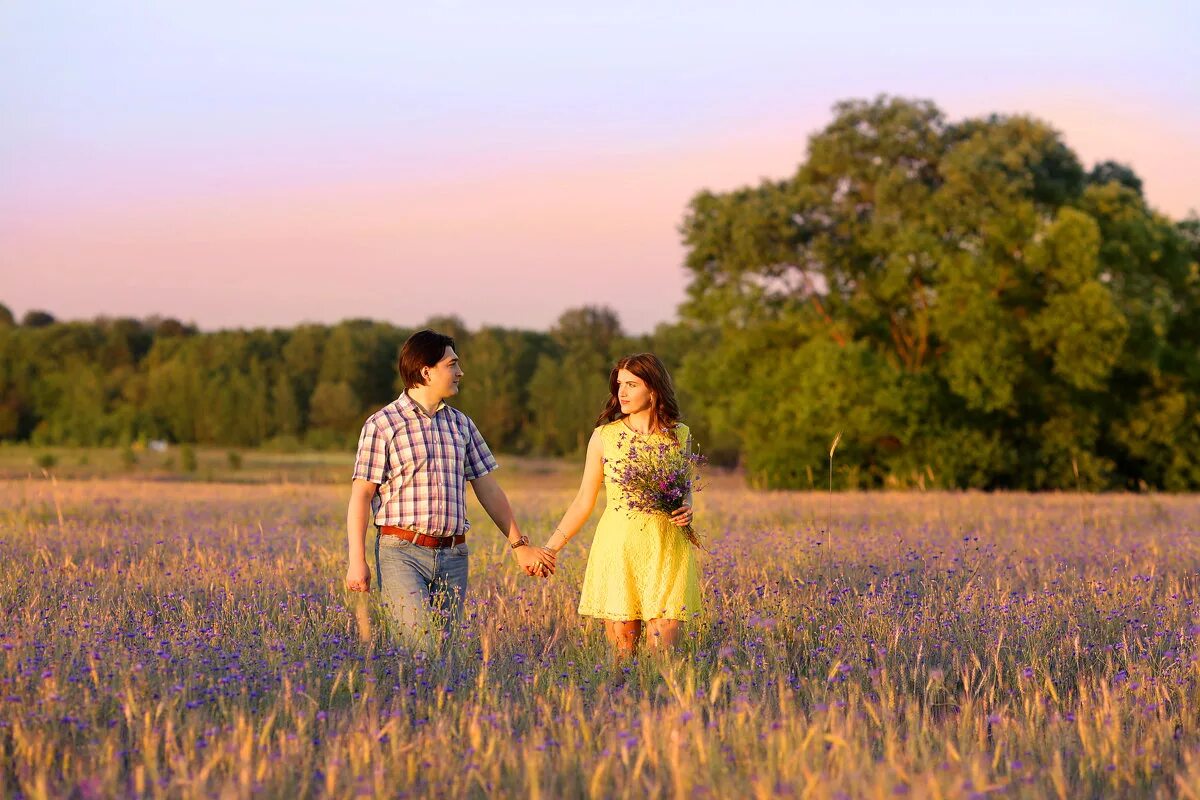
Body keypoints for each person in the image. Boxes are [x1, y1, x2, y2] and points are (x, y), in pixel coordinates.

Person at [344, 329, 556, 646]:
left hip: (454, 556)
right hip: (401, 553)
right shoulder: (383, 424)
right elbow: (362, 495)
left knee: (444, 656)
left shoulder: (461, 423)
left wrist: (518, 544)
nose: (460, 372)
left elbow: (487, 487)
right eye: (452, 364)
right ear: (426, 371)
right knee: (420, 648)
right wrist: (356, 560)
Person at [541, 353, 701, 658]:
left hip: (667, 547)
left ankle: (659, 705)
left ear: (653, 389)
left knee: (663, 649)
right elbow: (583, 500)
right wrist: (551, 548)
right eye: (619, 385)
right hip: (619, 546)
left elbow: (684, 489)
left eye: (631, 384)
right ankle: (621, 703)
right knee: (623, 651)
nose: (622, 393)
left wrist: (686, 506)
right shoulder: (604, 436)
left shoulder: (680, 435)